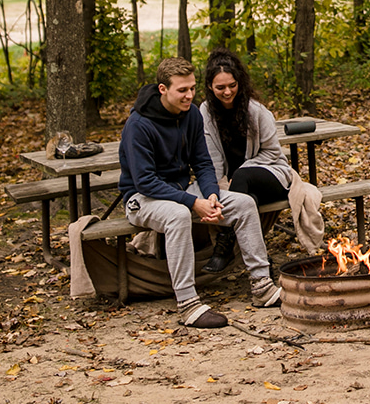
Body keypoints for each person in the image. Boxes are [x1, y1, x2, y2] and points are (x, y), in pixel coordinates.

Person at [118, 56, 282, 328]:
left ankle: (262, 286)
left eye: (192, 88)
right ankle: (188, 304)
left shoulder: (191, 114)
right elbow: (145, 181)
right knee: (178, 215)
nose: (190, 95)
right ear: (163, 89)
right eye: (182, 90)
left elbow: (203, 162)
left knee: (242, 204)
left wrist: (211, 194)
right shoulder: (138, 125)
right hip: (142, 199)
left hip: (184, 190)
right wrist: (194, 202)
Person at [198, 49, 324, 272]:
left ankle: (224, 246)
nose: (227, 92)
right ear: (209, 87)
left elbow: (273, 154)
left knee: (244, 177)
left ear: (240, 82)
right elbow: (211, 157)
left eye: (232, 85)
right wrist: (218, 185)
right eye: (220, 87)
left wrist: (239, 173)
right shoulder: (206, 112)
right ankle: (260, 263)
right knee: (248, 199)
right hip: (236, 186)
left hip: (271, 175)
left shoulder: (256, 112)